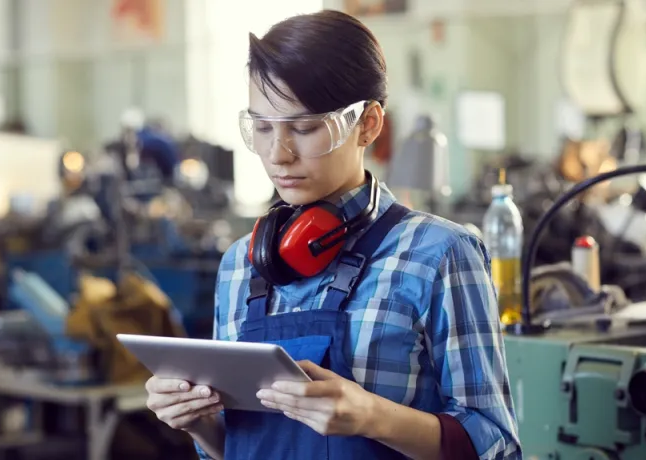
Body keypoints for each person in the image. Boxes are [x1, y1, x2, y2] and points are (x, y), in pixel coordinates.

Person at [145, 9, 521, 460]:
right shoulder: (239, 265)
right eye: (262, 127)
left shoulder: (438, 254)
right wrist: (197, 421)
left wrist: (373, 417)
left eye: (304, 128)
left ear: (368, 124)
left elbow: (496, 442)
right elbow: (239, 447)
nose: (278, 154)